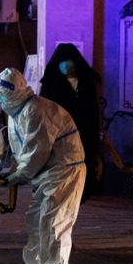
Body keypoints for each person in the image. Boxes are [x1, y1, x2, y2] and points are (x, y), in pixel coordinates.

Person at [0, 67, 86, 264]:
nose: (0, 101)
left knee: (53, 223)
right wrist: (13, 171)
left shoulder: (35, 110)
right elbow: (20, 150)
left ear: (13, 93)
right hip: (48, 174)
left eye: (3, 96)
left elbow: (35, 152)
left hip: (64, 171)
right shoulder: (17, 113)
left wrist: (15, 176)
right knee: (36, 220)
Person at [39, 43, 101, 204]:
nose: (66, 64)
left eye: (69, 60)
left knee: (84, 162)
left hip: (84, 131)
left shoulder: (87, 83)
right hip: (61, 134)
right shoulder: (51, 84)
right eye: (62, 61)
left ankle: (82, 193)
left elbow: (93, 110)